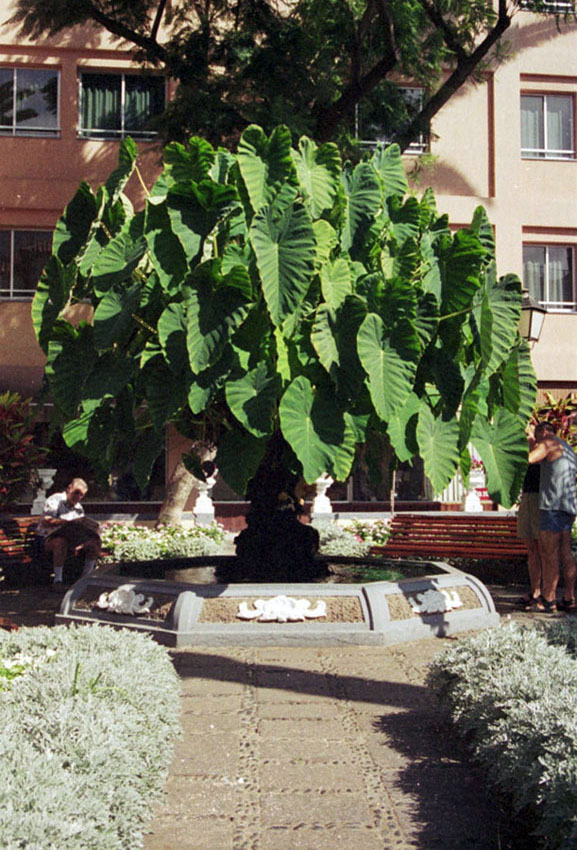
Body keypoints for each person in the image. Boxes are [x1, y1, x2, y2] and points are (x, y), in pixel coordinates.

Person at [528, 422, 577, 613]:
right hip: (568, 506)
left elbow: (530, 459)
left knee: (549, 555)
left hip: (552, 507)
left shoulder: (547, 443)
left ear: (543, 432)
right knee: (565, 553)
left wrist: (530, 442)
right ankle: (569, 597)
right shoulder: (567, 447)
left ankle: (549, 599)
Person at [35, 478, 102, 592]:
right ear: (69, 488)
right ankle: (58, 581)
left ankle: (85, 579)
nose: (78, 497)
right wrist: (66, 522)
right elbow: (46, 521)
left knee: (95, 542)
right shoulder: (56, 500)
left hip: (71, 539)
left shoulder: (79, 508)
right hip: (47, 539)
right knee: (60, 542)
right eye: (76, 492)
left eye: (81, 495)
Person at [516, 454, 543, 611]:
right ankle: (535, 590)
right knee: (531, 549)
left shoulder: (544, 448)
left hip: (540, 498)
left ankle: (546, 594)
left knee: (544, 549)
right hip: (527, 496)